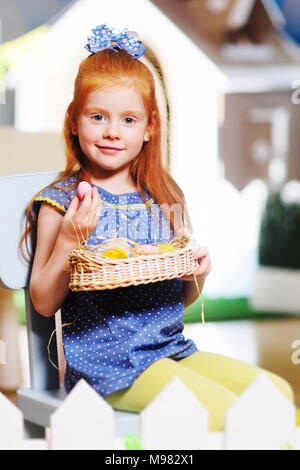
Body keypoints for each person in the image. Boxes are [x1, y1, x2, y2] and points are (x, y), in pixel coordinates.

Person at [25, 25, 294, 431]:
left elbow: (181, 299)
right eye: (98, 116)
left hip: (172, 351)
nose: (113, 131)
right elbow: (44, 303)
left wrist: (197, 272)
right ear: (75, 121)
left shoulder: (162, 197)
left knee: (279, 395)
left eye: (128, 119)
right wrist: (69, 239)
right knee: (227, 412)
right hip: (111, 369)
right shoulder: (64, 202)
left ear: (149, 127)